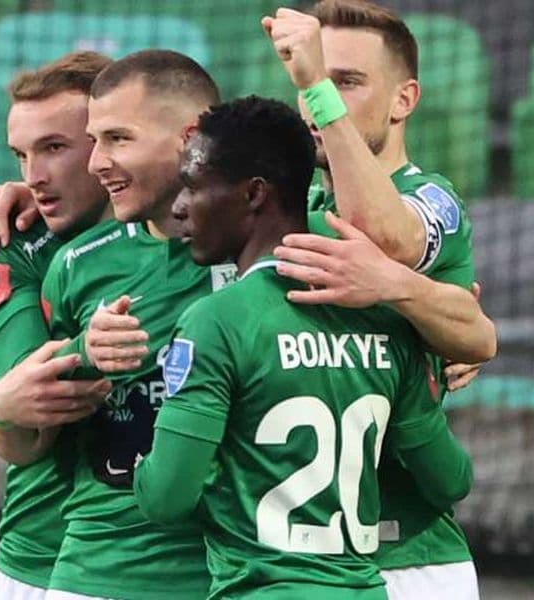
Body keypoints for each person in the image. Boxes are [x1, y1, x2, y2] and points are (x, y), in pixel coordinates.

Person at [134, 95, 473, 599]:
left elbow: (165, 497)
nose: (179, 206)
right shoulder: (387, 320)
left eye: (194, 186)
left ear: (254, 194)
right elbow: (450, 481)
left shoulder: (216, 322)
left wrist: (170, 465)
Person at [263, 2, 488, 597]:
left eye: (346, 81)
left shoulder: (434, 198)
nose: (318, 101)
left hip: (411, 558)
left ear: (403, 99)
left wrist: (316, 88)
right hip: (289, 561)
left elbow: (383, 239)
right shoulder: (285, 209)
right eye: (314, 79)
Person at [37, 50, 230, 600]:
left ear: (191, 137)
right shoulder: (77, 264)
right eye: (94, 141)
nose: (97, 162)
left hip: (237, 576)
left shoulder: (282, 241)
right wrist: (81, 353)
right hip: (99, 575)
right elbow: (25, 435)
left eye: (118, 139)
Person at [0, 52, 114, 600]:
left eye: (54, 148)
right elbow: (33, 407)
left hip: (178, 559)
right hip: (40, 555)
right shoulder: (10, 239)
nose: (33, 176)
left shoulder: (203, 232)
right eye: (21, 155)